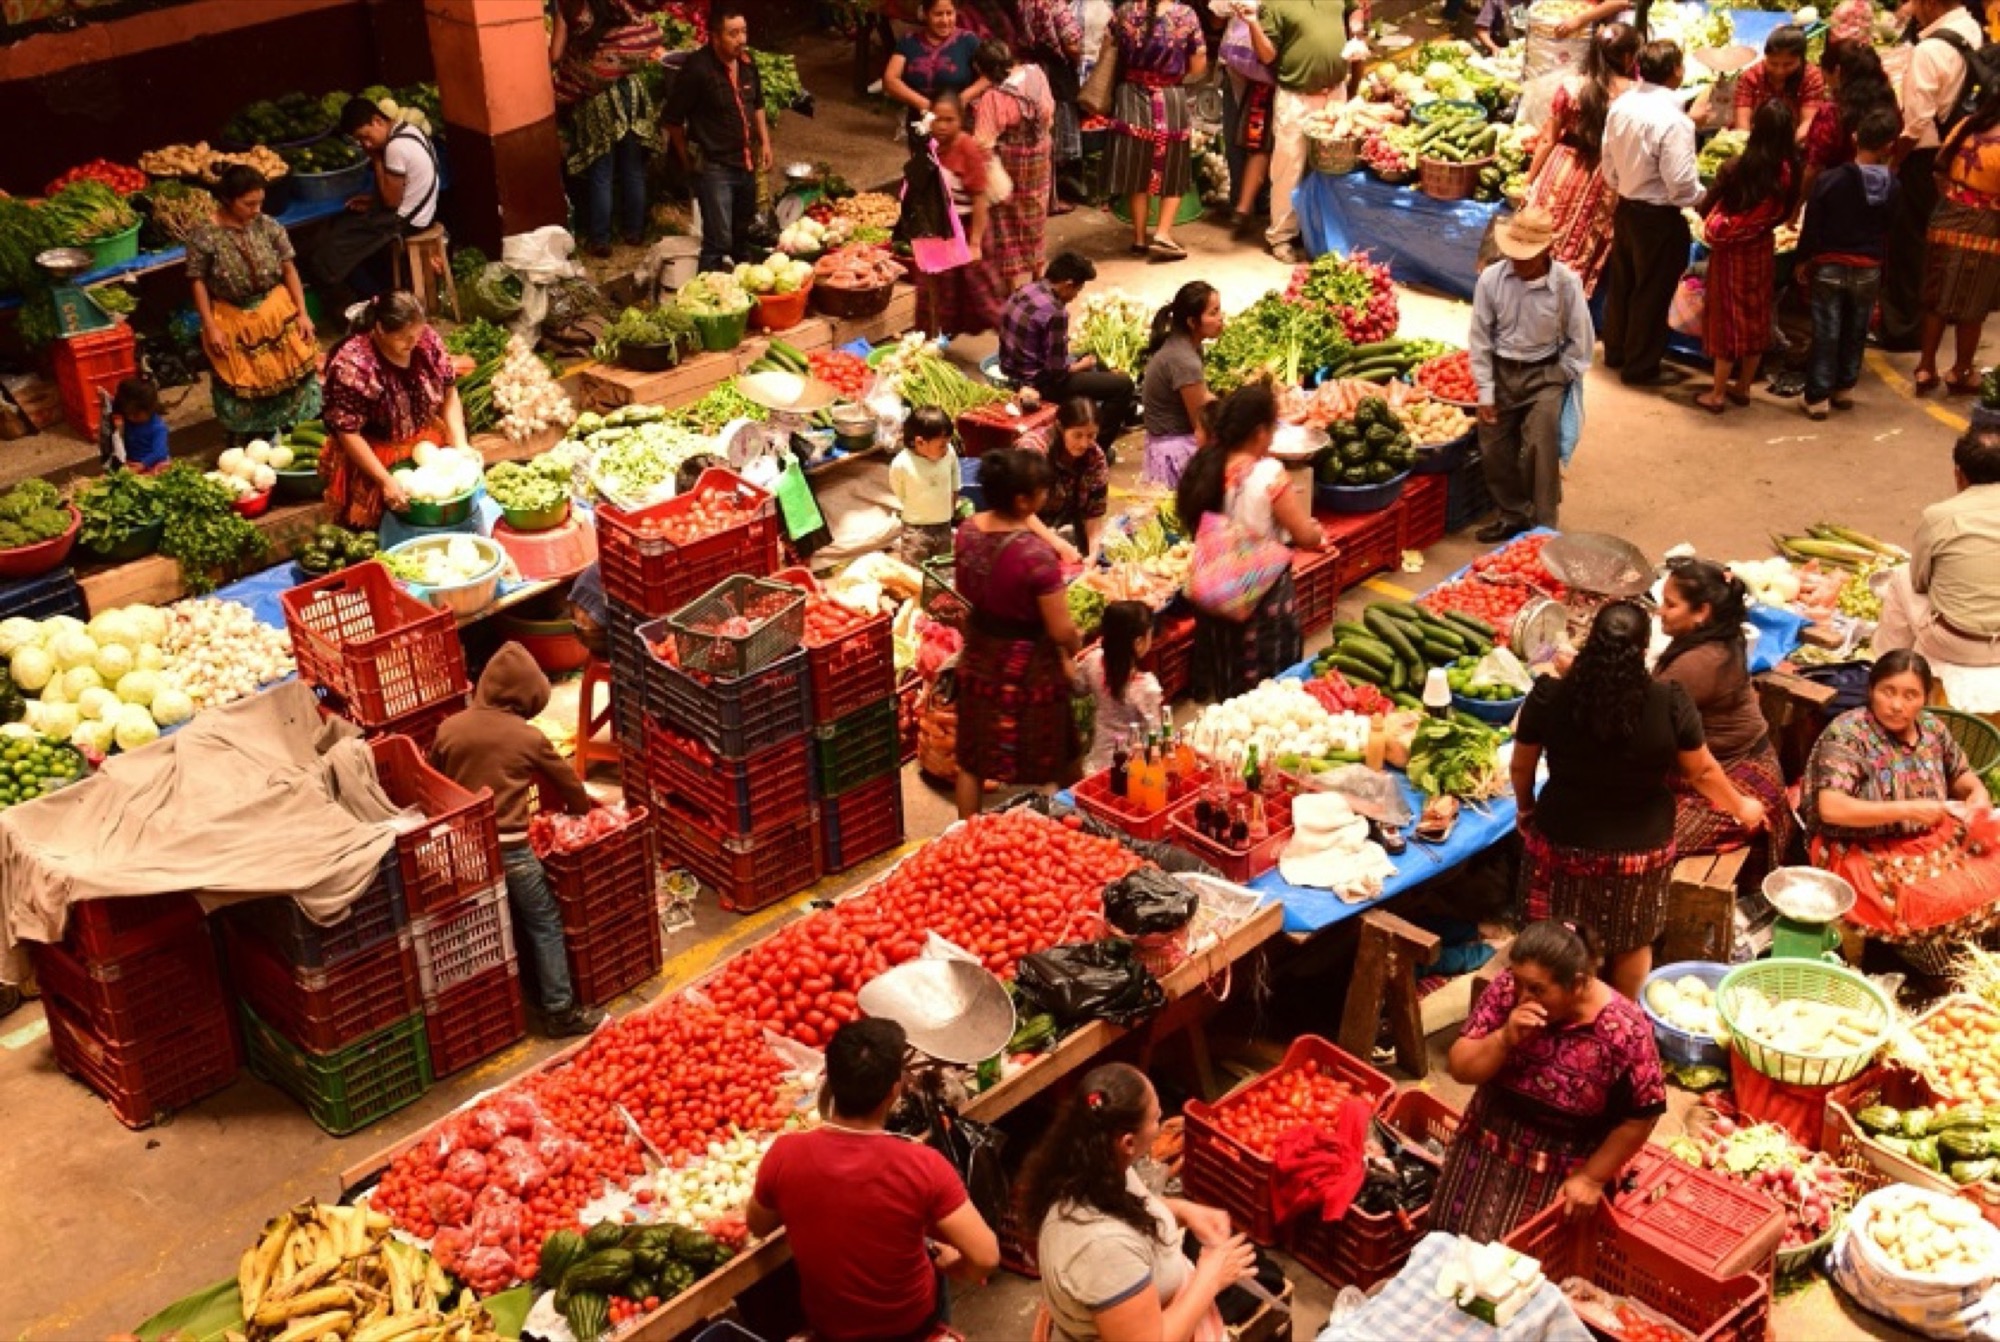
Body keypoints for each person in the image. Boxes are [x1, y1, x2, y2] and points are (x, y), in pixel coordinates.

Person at [1509, 601, 1767, 1000]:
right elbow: (1701, 772)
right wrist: (1742, 806)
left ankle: (1552, 1014)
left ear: (1590, 642)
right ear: (1646, 647)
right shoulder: (1669, 701)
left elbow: (1521, 767)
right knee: (1631, 940)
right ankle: (1621, 1014)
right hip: (1638, 853)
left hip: (1561, 839)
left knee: (1554, 935)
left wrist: (1526, 809)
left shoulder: (1549, 695)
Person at [747, 1018, 1000, 1342]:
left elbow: (757, 1224)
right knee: (931, 1257)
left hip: (832, 1328)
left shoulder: (784, 1154)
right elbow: (987, 1257)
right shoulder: (921, 1164)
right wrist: (957, 1266)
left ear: (829, 1084)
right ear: (894, 1092)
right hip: (909, 1327)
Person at [1430, 920, 1667, 1244]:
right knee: (1449, 1243)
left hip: (1566, 1161)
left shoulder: (1626, 1032)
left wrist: (1591, 1179)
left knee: (1524, 1266)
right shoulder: (1507, 992)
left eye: (1538, 990)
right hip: (1488, 1140)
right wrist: (1503, 1038)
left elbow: (1641, 1118)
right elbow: (1460, 1067)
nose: (1523, 997)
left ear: (1578, 984)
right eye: (1519, 983)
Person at [430, 643, 605, 1038]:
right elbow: (570, 786)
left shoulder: (449, 728)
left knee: (482, 927)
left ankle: (485, 1014)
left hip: (460, 850)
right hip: (511, 849)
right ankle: (559, 1009)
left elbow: (434, 780)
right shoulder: (527, 737)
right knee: (543, 920)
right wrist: (580, 816)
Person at [1019, 1062, 1257, 1342]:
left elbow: (1127, 1205)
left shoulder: (1093, 1164)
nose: (1161, 1125)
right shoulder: (1103, 1252)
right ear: (1128, 1142)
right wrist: (1210, 1278)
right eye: (1156, 1118)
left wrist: (1184, 1211)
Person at [1802, 650, 2000, 961]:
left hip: (1928, 836)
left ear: (1925, 698)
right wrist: (1907, 809)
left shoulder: (1932, 729)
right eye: (1888, 692)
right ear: (1871, 691)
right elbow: (1832, 808)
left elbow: (1961, 774)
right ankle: (1925, 959)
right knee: (1925, 900)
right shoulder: (1849, 732)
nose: (1897, 705)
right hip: (1860, 846)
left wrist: (1977, 794)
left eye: (1911, 695)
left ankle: (1963, 950)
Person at [952, 447, 1085, 818]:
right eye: (1041, 492)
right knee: (1056, 757)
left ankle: (965, 836)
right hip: (1029, 670)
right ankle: (1077, 825)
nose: (1045, 497)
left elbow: (964, 590)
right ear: (1022, 499)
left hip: (979, 655)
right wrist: (1076, 644)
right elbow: (1061, 629)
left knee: (972, 759)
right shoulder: (1035, 557)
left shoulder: (967, 531)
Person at [1176, 385, 1327, 703]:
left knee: (1229, 689)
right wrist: (1316, 532)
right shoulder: (1269, 473)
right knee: (1267, 691)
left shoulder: (1206, 467)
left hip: (1218, 601)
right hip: (1260, 602)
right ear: (1260, 431)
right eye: (1272, 429)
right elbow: (1303, 535)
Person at [1655, 560, 1795, 871]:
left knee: (1644, 839)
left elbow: (1701, 770)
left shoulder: (1699, 663)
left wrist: (1740, 806)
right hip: (1712, 768)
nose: (1659, 611)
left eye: (1670, 604)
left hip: (1737, 780)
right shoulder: (1720, 636)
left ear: (1702, 612)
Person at [1468, 207, 1595, 543]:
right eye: (1513, 255)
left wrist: (1560, 374)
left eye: (1526, 257)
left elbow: (1581, 342)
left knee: (1540, 448)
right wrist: (1485, 390)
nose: (1518, 262)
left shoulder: (1566, 285)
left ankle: (1542, 527)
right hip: (1501, 370)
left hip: (1545, 373)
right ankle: (1511, 514)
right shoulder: (1491, 280)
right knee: (1493, 448)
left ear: (1546, 251)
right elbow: (1480, 338)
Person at [186, 166, 322, 440]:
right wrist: (210, 325)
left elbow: (289, 270)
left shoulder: (269, 226)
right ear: (228, 199)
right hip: (233, 315)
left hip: (276, 310)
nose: (256, 209)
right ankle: (251, 438)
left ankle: (297, 432)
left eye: (260, 201)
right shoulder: (204, 235)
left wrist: (302, 313)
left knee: (293, 373)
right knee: (241, 379)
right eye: (249, 204)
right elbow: (197, 281)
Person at [1880, 0, 1985, 352]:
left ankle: (1903, 329)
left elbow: (1917, 121)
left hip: (1925, 158)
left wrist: (1895, 160)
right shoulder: (1972, 30)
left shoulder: (1930, 49)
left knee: (1910, 244)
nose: (1911, 8)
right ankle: (1937, 317)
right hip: (1960, 155)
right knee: (1941, 242)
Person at [319, 292, 471, 530]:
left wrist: (461, 444)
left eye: (418, 333)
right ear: (379, 328)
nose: (414, 342)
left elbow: (449, 391)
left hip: (424, 443)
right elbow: (347, 431)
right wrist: (385, 481)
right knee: (380, 526)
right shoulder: (355, 365)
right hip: (374, 453)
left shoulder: (426, 341)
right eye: (404, 337)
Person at [1600, 41, 1702, 388]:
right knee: (1651, 291)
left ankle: (1615, 351)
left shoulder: (1622, 106)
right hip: (1659, 218)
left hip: (1627, 208)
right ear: (1676, 70)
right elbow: (1682, 186)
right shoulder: (1676, 123)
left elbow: (1609, 163)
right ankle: (1640, 367)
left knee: (1624, 283)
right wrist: (1705, 197)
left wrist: (1625, 185)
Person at [1694, 100, 1800, 414]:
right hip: (1762, 249)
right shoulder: (1791, 170)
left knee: (1726, 319)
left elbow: (1705, 208)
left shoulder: (1735, 168)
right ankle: (1742, 388)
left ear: (1755, 128)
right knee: (1755, 316)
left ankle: (1716, 394)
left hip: (1730, 255)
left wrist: (1723, 224)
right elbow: (1783, 215)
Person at [1798, 105, 1901, 419]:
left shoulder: (1829, 180)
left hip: (1830, 265)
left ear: (1855, 138)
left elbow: (1812, 225)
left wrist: (1804, 260)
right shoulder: (1893, 186)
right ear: (1889, 146)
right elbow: (1889, 229)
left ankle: (1817, 396)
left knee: (1826, 330)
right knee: (1856, 329)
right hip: (1868, 267)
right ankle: (1844, 388)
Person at [1249, 0, 1369, 263]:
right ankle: (1281, 236)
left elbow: (1355, 8)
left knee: (1332, 167)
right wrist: (1252, 23)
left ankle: (1322, 231)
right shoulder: (1275, 4)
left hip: (1336, 93)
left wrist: (1357, 31)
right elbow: (1267, 55)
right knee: (1288, 167)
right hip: (1296, 98)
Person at [1523, 24, 1639, 297]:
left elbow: (1547, 140)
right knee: (1579, 243)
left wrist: (1529, 180)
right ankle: (1564, 311)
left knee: (1542, 236)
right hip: (1602, 176)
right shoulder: (1634, 96)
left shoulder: (1571, 86)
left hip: (1560, 169)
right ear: (1626, 58)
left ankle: (1529, 303)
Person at [661, 3, 771, 276]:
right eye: (733, 34)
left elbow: (757, 103)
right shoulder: (697, 70)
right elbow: (672, 119)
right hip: (714, 167)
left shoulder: (747, 63)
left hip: (745, 161)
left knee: (742, 234)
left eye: (744, 32)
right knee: (718, 240)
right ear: (715, 36)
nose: (742, 40)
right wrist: (686, 157)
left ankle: (743, 292)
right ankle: (704, 300)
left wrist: (766, 143)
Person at [551, 0, 665, 257]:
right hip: (630, 91)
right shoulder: (619, 3)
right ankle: (633, 232)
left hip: (596, 93)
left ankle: (600, 239)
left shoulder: (569, 7)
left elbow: (555, 55)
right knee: (633, 169)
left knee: (601, 172)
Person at [1877, 428, 2000, 666]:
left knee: (1901, 578)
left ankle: (1887, 670)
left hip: (1956, 644)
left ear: (1959, 475)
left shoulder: (1940, 516)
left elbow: (1919, 582)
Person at [1101, 0, 1208, 262]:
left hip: (1130, 96)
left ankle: (1138, 238)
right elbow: (1198, 65)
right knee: (1173, 167)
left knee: (1137, 168)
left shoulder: (1125, 12)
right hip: (1170, 95)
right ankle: (1162, 234)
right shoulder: (1185, 15)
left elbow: (1108, 48)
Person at [998, 252, 1137, 450]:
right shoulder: (1056, 312)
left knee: (1091, 356)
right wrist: (1082, 365)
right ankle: (1095, 448)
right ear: (1068, 284)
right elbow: (1058, 373)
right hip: (1038, 384)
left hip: (1011, 369)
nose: (1075, 297)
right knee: (1123, 385)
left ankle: (1111, 415)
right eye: (1077, 290)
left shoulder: (1025, 289)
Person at [307, 98, 440, 304]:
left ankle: (374, 300)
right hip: (424, 211)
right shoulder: (409, 129)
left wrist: (376, 159)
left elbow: (391, 202)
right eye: (360, 141)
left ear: (377, 120)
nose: (366, 144)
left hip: (408, 222)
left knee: (330, 251)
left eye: (365, 137)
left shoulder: (395, 147)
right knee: (344, 225)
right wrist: (372, 201)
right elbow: (404, 188)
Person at [1917, 83, 2000, 394]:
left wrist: (1956, 198)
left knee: (1936, 299)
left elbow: (1939, 168)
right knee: (1972, 305)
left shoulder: (1967, 124)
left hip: (1945, 215)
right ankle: (1961, 370)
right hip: (1986, 226)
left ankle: (1925, 367)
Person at [913, 91, 1006, 339]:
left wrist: (974, 244)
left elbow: (979, 199)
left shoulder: (967, 148)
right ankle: (928, 343)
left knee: (983, 293)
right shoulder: (928, 144)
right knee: (932, 291)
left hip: (967, 227)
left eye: (949, 120)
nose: (942, 126)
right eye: (937, 119)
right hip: (939, 228)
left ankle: (1019, 344)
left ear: (961, 120)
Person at [970, 41, 1055, 293]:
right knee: (1036, 214)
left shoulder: (994, 97)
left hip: (1010, 163)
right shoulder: (1036, 74)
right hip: (1040, 155)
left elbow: (983, 142)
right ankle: (1038, 274)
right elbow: (1049, 113)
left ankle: (1011, 286)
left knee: (1006, 220)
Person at [1139, 280, 1222, 488]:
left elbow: (1203, 396)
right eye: (1213, 313)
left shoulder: (1186, 345)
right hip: (1175, 451)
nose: (1221, 318)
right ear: (1192, 322)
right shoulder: (1184, 360)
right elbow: (1201, 425)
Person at [1078, 602, 1165, 775]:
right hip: (1131, 771)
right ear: (1139, 643)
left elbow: (1078, 687)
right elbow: (1155, 738)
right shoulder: (1146, 687)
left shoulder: (1093, 661)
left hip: (1097, 765)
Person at [1015, 0, 1086, 207]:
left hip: (1030, 71)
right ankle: (1051, 200)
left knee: (1036, 135)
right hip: (1055, 74)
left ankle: (1039, 197)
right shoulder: (1055, 4)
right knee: (1052, 139)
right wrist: (1079, 60)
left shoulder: (1023, 3)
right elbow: (1072, 43)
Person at [886, 0, 986, 132]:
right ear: (926, 15)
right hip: (921, 123)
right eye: (938, 14)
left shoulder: (968, 41)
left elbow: (990, 75)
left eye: (949, 13)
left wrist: (963, 98)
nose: (945, 20)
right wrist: (922, 103)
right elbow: (890, 79)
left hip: (959, 126)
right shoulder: (909, 42)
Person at [1033, 398, 1111, 557]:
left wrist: (1093, 554)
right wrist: (1056, 543)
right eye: (1077, 435)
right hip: (1027, 528)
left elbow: (1094, 515)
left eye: (1091, 435)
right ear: (1061, 428)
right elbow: (1020, 511)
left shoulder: (1095, 458)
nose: (1084, 443)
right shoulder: (1034, 452)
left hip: (1065, 527)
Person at [891, 405, 962, 566]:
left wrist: (952, 501)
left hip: (943, 523)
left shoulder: (949, 453)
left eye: (948, 443)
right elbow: (899, 491)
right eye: (941, 445)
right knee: (914, 569)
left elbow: (955, 475)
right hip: (916, 528)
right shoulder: (902, 464)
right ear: (920, 442)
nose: (946, 449)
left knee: (942, 568)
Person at [1733, 25, 1826, 137]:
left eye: (1788, 64)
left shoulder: (1811, 77)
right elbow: (1742, 123)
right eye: (1773, 64)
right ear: (1766, 57)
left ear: (1801, 59)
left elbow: (1808, 122)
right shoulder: (1751, 77)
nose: (1779, 71)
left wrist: (1789, 149)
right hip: (1756, 140)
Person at [97, 378, 171, 473]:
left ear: (150, 409)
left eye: (135, 414)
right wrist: (105, 398)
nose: (130, 417)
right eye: (128, 413)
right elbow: (113, 407)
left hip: (153, 464)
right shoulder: (130, 419)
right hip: (132, 462)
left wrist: (143, 464)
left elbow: (160, 452)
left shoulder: (157, 428)